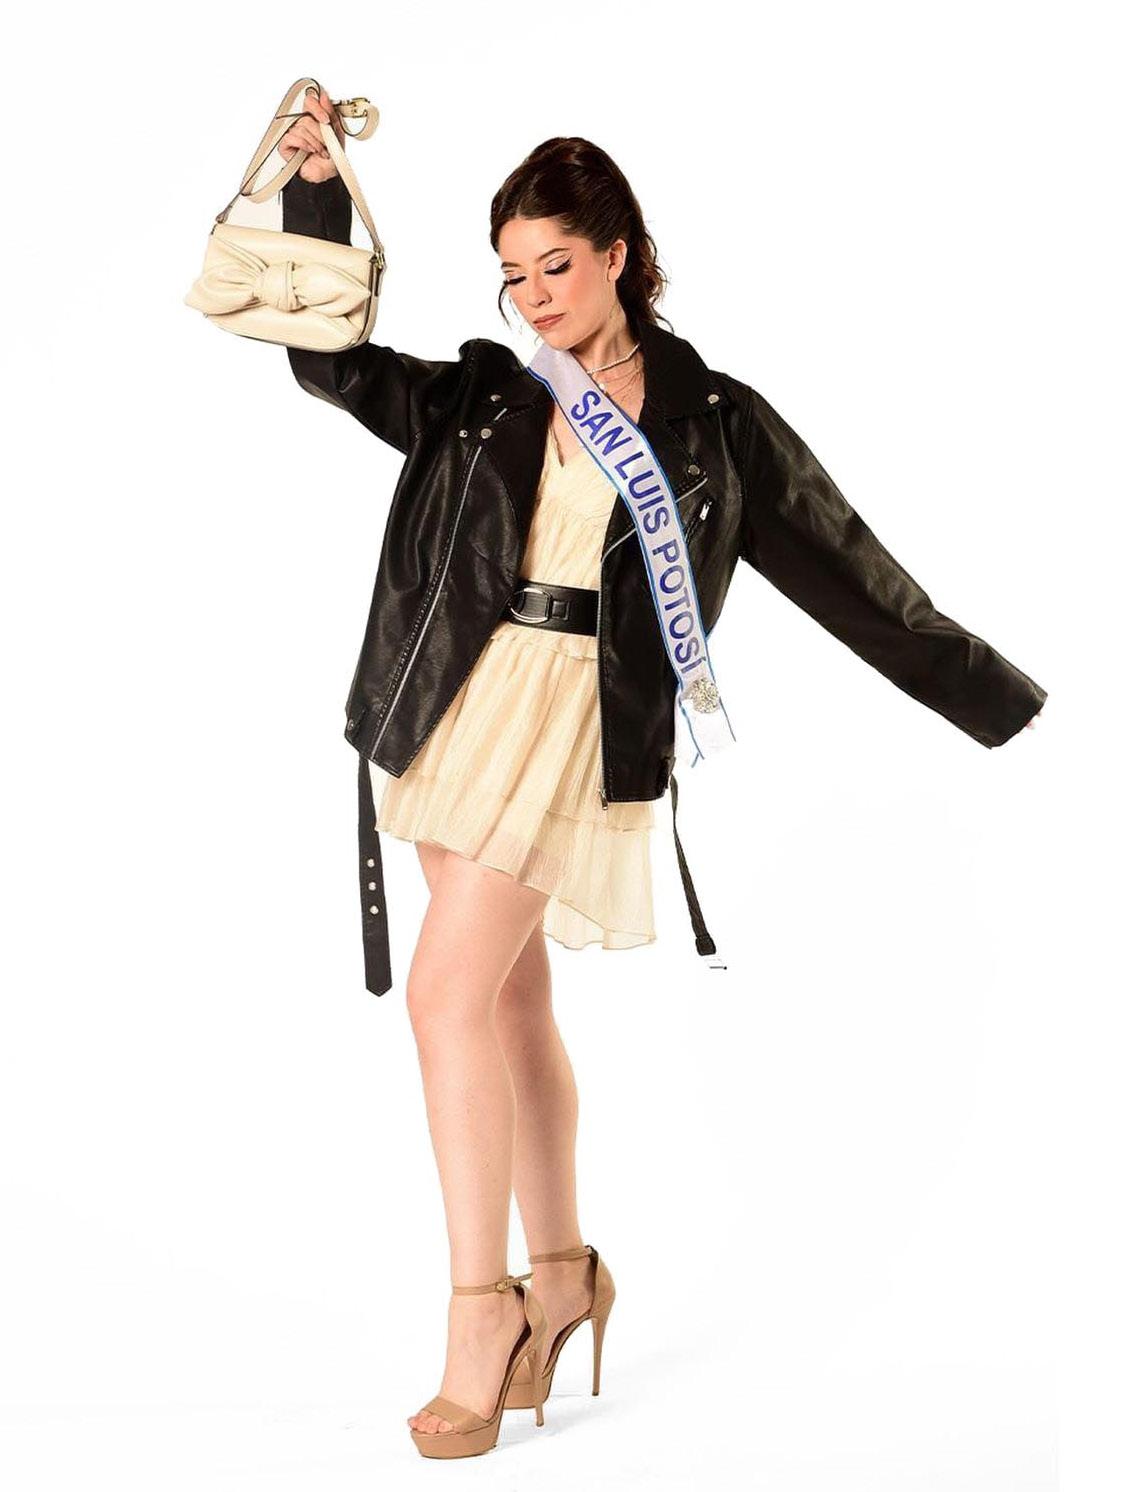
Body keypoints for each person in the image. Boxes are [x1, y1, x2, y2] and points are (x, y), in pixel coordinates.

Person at [274, 89, 1045, 1458]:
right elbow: (328, 365)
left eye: (555, 265)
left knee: (446, 998)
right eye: (511, 275)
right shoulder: (486, 395)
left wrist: (1001, 703)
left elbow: (849, 572)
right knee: (506, 1002)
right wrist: (317, 192)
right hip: (459, 702)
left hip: (577, 724)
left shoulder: (713, 425)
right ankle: (565, 1274)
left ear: (618, 252)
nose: (534, 297)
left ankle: (481, 1318)